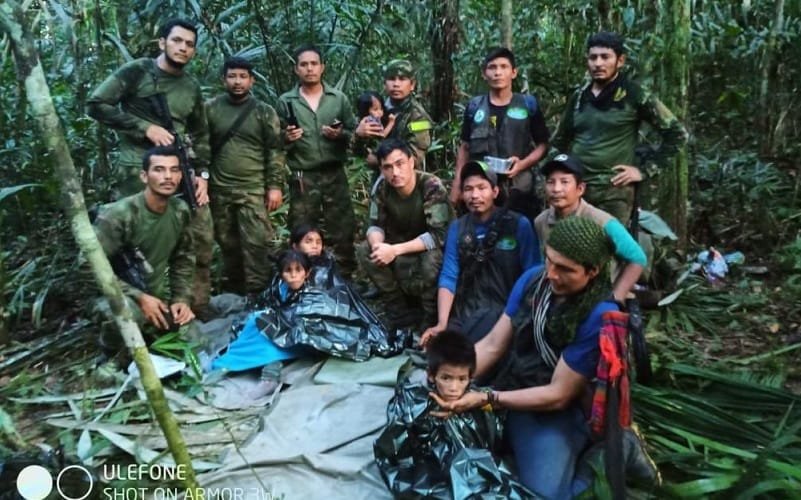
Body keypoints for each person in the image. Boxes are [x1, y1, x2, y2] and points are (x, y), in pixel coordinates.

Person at [430, 217, 656, 498]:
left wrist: (487, 398)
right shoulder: (532, 280)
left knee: (544, 494)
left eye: (564, 269)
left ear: (592, 271)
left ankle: (618, 449)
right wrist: (449, 377)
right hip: (515, 385)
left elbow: (558, 394)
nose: (551, 273)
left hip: (554, 410)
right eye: (549, 260)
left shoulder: (597, 315)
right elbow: (492, 345)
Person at [87, 18, 214, 316]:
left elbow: (202, 134)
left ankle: (192, 306)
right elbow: (96, 104)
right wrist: (144, 127)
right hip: (137, 171)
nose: (183, 48)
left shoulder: (191, 87)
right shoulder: (138, 72)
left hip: (180, 170)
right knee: (135, 242)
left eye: (189, 45)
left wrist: (203, 175)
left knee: (199, 236)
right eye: (177, 41)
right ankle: (136, 307)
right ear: (162, 42)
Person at [374, 330, 534, 498]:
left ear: (470, 378)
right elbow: (395, 452)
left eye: (461, 379)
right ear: (431, 375)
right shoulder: (415, 406)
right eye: (446, 378)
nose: (454, 388)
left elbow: (495, 432)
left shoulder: (478, 400)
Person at [551, 31, 688, 225]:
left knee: (609, 248)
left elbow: (677, 135)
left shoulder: (635, 94)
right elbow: (559, 142)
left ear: (620, 60)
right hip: (577, 189)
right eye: (593, 57)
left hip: (614, 191)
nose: (598, 63)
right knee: (570, 246)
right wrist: (557, 179)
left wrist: (644, 171)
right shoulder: (579, 97)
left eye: (605, 57)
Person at [421, 160, 539, 345]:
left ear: (495, 191)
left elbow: (533, 273)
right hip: (467, 311)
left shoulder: (518, 225)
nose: (474, 195)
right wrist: (442, 323)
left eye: (481, 187)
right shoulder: (457, 228)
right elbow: (449, 275)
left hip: (506, 312)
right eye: (468, 189)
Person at [93, 146, 197, 352]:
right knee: (128, 316)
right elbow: (89, 268)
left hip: (155, 295)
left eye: (174, 170)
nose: (168, 177)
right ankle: (111, 357)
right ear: (144, 176)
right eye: (159, 170)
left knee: (193, 339)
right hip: (113, 294)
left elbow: (183, 258)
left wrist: (181, 300)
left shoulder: (180, 211)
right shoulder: (118, 216)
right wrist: (139, 298)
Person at [205, 57, 286, 296]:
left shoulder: (263, 111)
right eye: (232, 76)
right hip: (219, 189)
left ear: (251, 81)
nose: (237, 82)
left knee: (257, 244)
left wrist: (274, 186)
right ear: (224, 79)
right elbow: (200, 146)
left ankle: (259, 294)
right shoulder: (210, 109)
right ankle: (235, 292)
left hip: (253, 189)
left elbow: (275, 150)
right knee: (228, 244)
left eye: (243, 77)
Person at [276, 45, 358, 278]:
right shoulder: (286, 101)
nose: (309, 69)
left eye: (314, 64)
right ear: (296, 69)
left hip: (334, 171)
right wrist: (287, 138)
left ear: (322, 67)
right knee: (302, 224)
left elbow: (354, 132)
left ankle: (344, 276)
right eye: (304, 64)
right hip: (303, 174)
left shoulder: (337, 99)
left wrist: (339, 135)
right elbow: (276, 140)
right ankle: (303, 274)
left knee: (342, 224)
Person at [355, 139, 452, 330]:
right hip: (398, 243)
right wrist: (377, 247)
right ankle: (398, 310)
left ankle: (429, 316)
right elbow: (374, 225)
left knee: (432, 260)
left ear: (411, 162)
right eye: (388, 167)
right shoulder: (382, 188)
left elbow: (438, 235)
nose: (395, 173)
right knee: (365, 250)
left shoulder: (430, 185)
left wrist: (394, 250)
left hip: (428, 247)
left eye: (399, 164)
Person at [453, 47, 550, 222]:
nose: (498, 72)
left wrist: (522, 164)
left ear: (514, 72)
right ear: (484, 73)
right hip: (482, 188)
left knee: (518, 233)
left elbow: (543, 145)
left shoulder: (528, 104)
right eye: (492, 67)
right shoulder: (475, 107)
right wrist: (458, 183)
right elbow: (465, 146)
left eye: (504, 67)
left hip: (519, 188)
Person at [535, 154, 646, 302]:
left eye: (564, 182)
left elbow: (637, 258)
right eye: (551, 182)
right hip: (559, 293)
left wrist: (616, 297)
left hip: (597, 297)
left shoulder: (602, 221)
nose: (556, 189)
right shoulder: (541, 221)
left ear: (580, 189)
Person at [355, 59, 432, 170]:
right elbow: (356, 151)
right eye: (391, 79)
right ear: (384, 84)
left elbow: (414, 157)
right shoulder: (376, 108)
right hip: (380, 179)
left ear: (412, 85)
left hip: (406, 180)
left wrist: (378, 161)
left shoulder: (419, 118)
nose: (396, 84)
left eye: (402, 79)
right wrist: (359, 135)